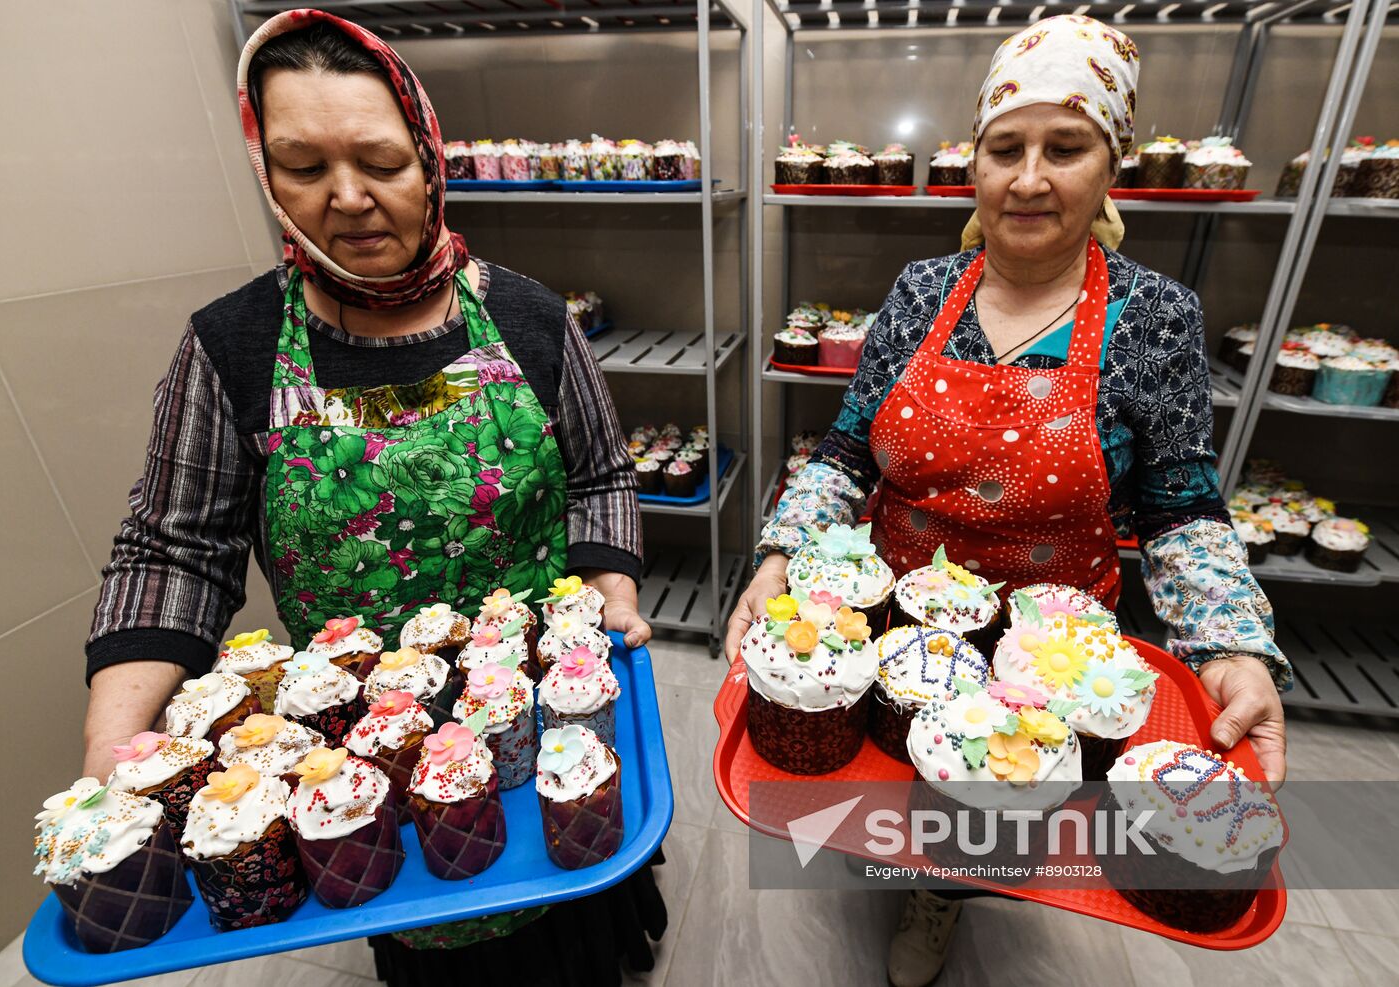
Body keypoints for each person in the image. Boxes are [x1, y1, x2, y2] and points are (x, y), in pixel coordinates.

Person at [82, 10, 663, 985]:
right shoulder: (234, 349)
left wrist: (610, 592)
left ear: (429, 161)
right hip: (363, 751)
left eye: (381, 163)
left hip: (540, 712)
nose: (347, 198)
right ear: (264, 170)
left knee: (574, 900)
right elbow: (173, 552)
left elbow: (599, 476)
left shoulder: (525, 319)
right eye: (303, 167)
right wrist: (113, 746)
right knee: (435, 917)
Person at [725, 15, 1290, 987]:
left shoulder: (1151, 317)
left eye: (1063, 149)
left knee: (989, 816)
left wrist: (1228, 643)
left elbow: (1181, 510)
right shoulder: (919, 291)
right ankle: (895, 865)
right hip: (892, 614)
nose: (1028, 178)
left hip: (1047, 644)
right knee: (885, 783)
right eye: (1004, 149)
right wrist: (782, 548)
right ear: (972, 165)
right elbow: (848, 448)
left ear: (1107, 164)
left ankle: (941, 899)